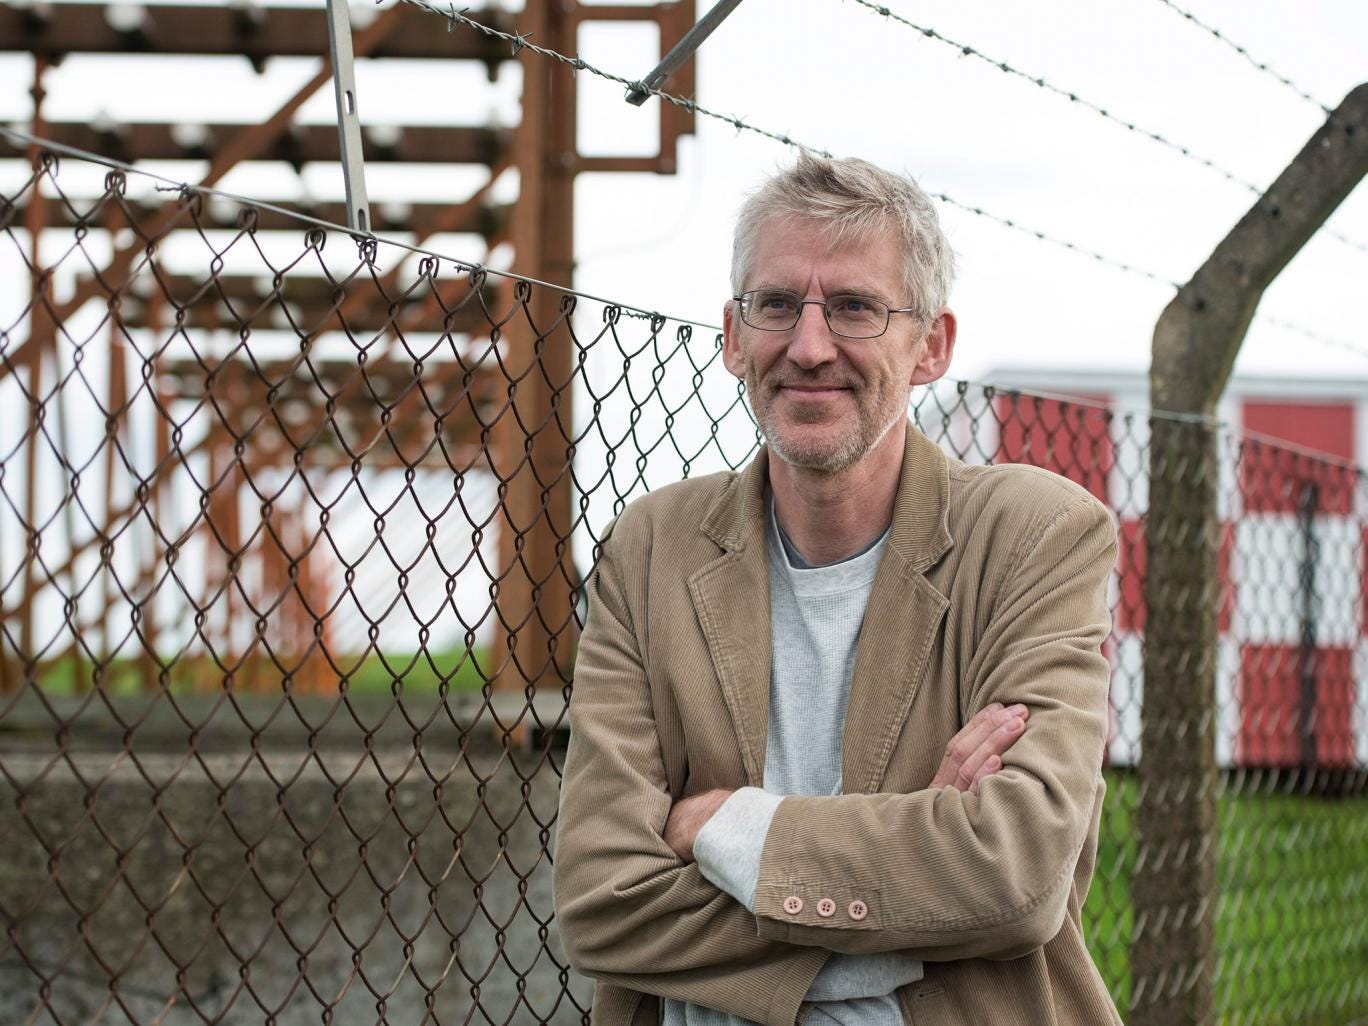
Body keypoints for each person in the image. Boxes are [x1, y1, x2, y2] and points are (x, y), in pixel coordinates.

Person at [553, 153, 1121, 1026]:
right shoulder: (651, 548)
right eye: (777, 304)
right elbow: (598, 901)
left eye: (855, 308)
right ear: (735, 335)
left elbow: (1016, 877)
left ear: (931, 345)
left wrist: (720, 828)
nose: (809, 347)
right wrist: (913, 881)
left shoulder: (1034, 538)